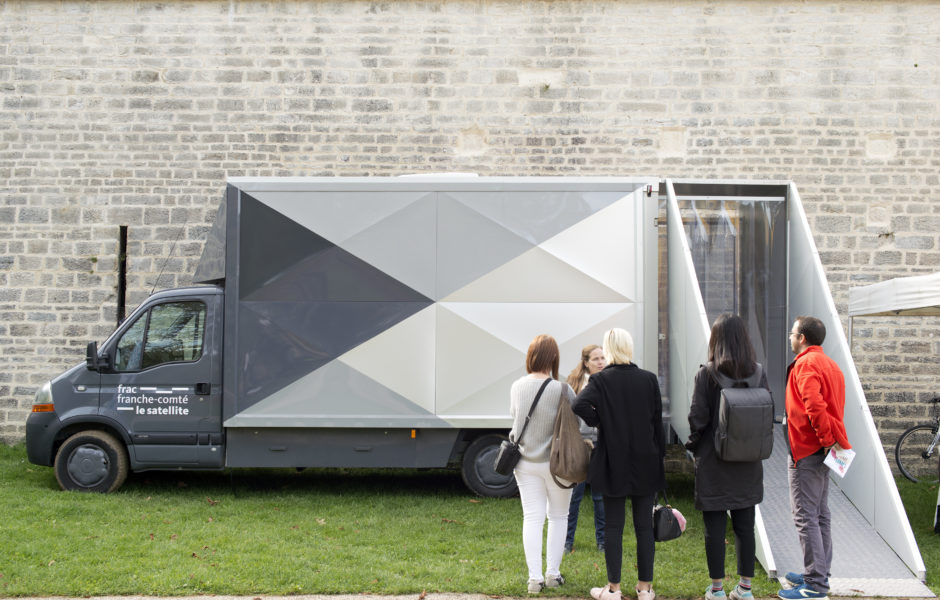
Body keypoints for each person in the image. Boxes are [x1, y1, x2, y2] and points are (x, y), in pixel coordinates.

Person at [573, 328, 665, 600]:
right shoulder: (649, 380)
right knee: (644, 527)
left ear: (609, 349)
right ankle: (645, 588)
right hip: (646, 460)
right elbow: (657, 423)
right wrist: (659, 457)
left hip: (613, 459)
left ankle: (613, 589)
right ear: (629, 347)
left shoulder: (601, 381)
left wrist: (600, 420)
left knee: (613, 526)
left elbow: (579, 405)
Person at [685, 314, 770, 600]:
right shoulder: (759, 373)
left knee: (715, 528)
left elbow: (697, 418)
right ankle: (745, 589)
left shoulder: (706, 374)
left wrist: (693, 445)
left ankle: (717, 589)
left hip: (714, 460)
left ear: (716, 340)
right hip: (748, 460)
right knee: (746, 526)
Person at [777, 316, 851, 600]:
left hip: (809, 450)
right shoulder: (831, 365)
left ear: (802, 338)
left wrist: (823, 441)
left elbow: (815, 406)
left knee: (805, 516)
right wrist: (829, 444)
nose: (790, 337)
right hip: (826, 450)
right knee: (820, 514)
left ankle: (815, 585)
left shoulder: (806, 364)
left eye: (792, 333)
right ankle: (818, 573)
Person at [510, 334, 576, 594]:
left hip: (525, 463)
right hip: (559, 465)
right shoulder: (562, 389)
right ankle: (552, 574)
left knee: (532, 518)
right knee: (559, 517)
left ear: (531, 357)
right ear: (554, 358)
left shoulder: (517, 386)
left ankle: (534, 578)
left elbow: (515, 419)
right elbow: (575, 426)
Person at [564, 344, 607, 554]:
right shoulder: (575, 384)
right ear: (586, 362)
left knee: (600, 497)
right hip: (580, 446)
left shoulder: (608, 381)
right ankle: (566, 541)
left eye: (603, 358)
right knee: (574, 496)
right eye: (596, 359)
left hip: (601, 445)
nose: (601, 362)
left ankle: (603, 541)